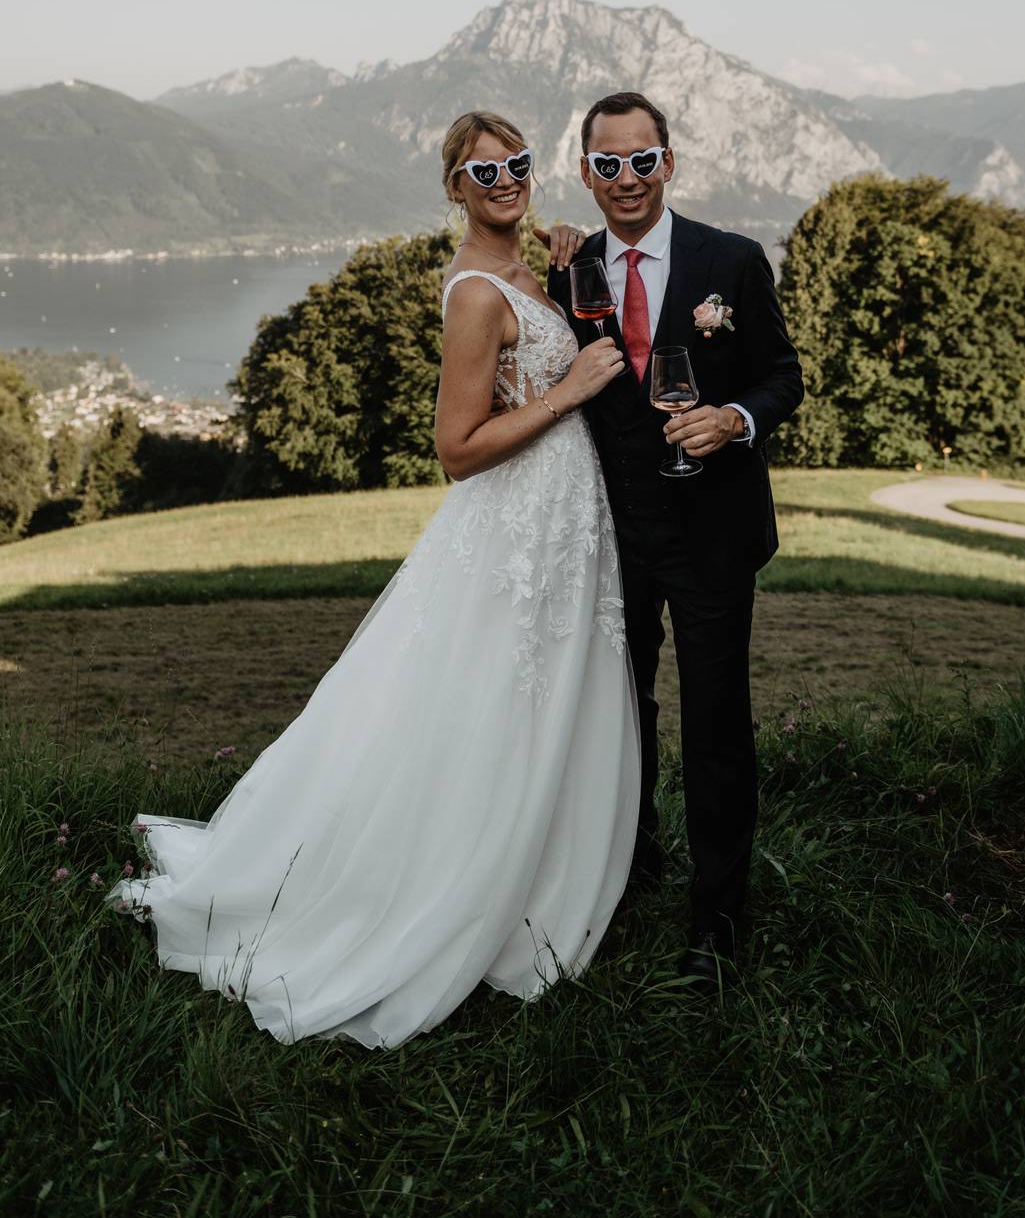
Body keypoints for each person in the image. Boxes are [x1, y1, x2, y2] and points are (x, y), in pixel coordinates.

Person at [106, 111, 639, 1049]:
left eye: (516, 163)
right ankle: (453, 897)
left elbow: (554, 323)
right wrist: (571, 392)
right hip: (510, 525)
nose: (505, 179)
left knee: (539, 706)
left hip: (558, 527)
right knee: (479, 712)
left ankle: (536, 885)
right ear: (454, 188)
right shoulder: (475, 294)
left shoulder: (534, 267)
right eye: (483, 171)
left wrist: (569, 256)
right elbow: (456, 450)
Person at [547, 91, 804, 988]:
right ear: (586, 173)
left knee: (715, 722)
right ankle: (627, 867)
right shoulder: (569, 269)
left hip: (713, 533)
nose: (626, 179)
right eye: (607, 164)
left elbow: (782, 376)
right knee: (618, 717)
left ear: (669, 162)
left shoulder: (729, 261)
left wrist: (733, 419)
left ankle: (718, 919)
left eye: (642, 160)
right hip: (611, 531)